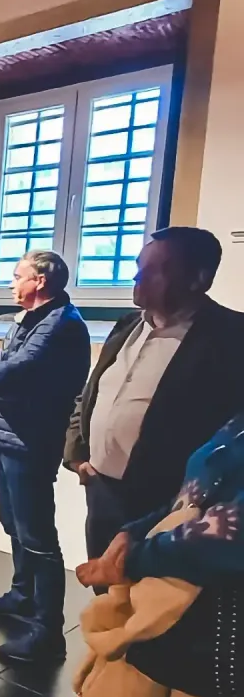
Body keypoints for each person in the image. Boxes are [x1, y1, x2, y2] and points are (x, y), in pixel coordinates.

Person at [53, 410, 244, 697]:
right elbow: (194, 495)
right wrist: (136, 530)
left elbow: (232, 537)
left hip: (230, 649)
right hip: (199, 637)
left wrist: (136, 558)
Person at [64, 227, 244, 590]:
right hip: (102, 490)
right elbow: (93, 391)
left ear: (198, 279)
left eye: (154, 270)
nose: (137, 277)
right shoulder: (127, 325)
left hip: (167, 503)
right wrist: (76, 451)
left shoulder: (232, 336)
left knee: (154, 607)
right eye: (138, 266)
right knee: (106, 596)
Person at [0, 251, 91, 662]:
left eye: (17, 275)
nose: (10, 283)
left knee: (38, 538)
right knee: (15, 525)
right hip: (7, 437)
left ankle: (47, 631)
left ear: (40, 281)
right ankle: (22, 595)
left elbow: (8, 372)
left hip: (31, 443)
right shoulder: (31, 319)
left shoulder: (61, 324)